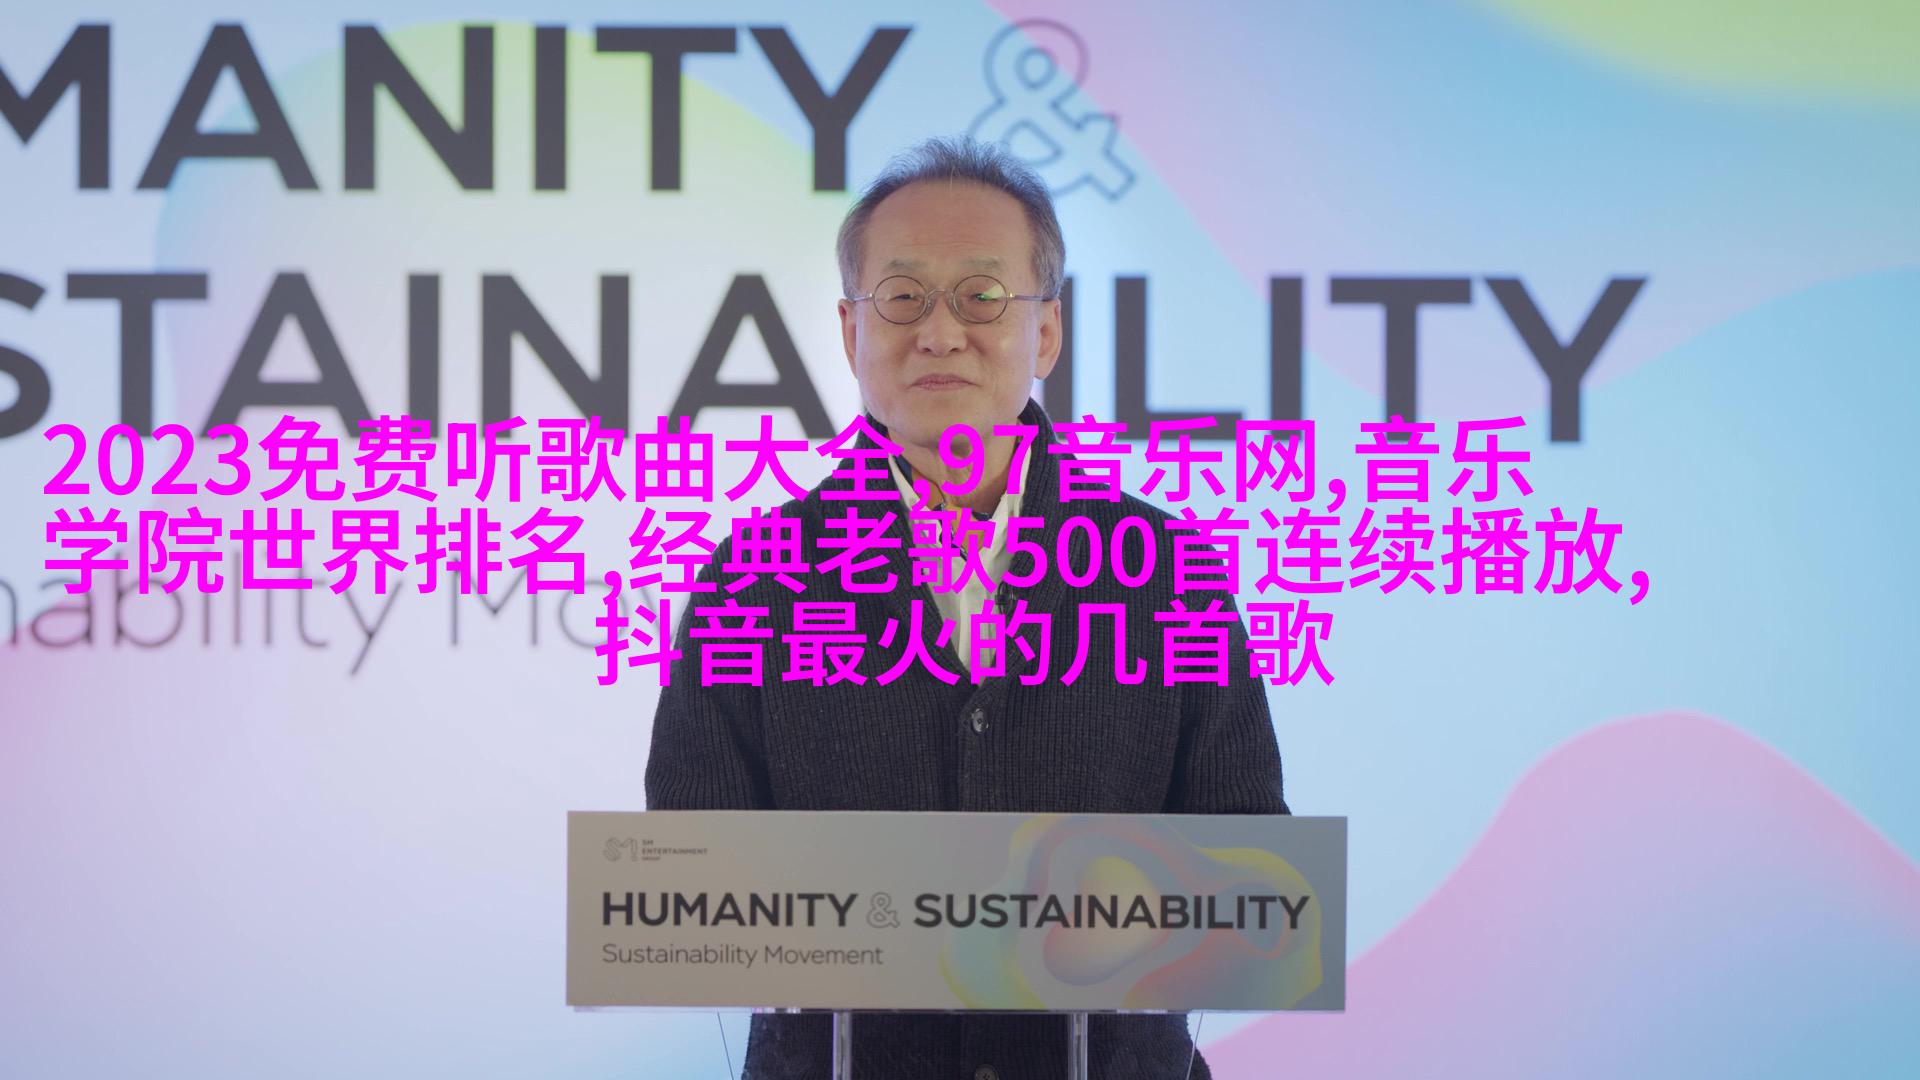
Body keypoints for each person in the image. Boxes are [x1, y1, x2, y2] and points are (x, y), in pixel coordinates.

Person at [645, 135, 1290, 1079]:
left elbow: (1249, 865)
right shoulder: (753, 578)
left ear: (1047, 332)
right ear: (851, 332)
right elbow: (687, 882)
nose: (940, 332)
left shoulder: (1166, 571)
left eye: (982, 295)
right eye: (902, 297)